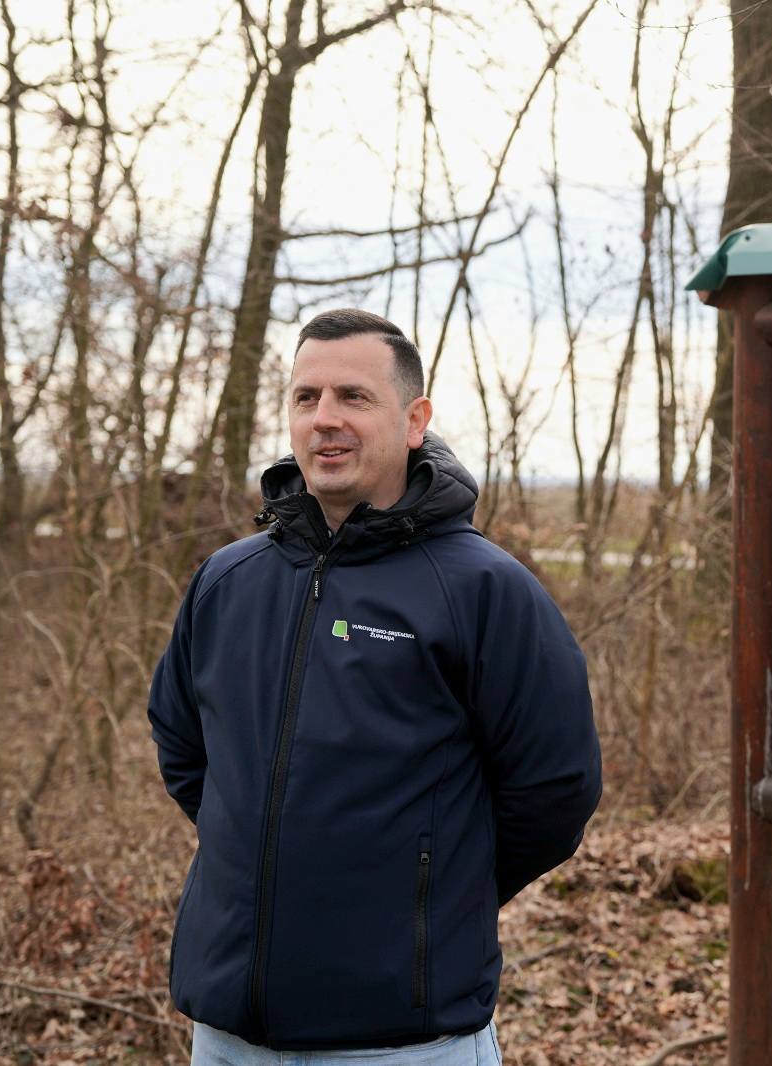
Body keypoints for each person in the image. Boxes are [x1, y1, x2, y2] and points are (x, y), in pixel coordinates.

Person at [147, 308, 601, 1063]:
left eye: (353, 397)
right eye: (306, 397)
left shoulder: (484, 590)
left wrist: (430, 892)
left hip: (404, 1039)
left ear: (415, 420)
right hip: (227, 1033)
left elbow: (555, 790)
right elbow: (183, 746)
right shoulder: (228, 581)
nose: (325, 419)